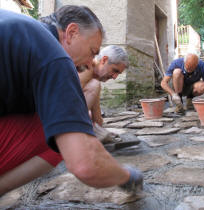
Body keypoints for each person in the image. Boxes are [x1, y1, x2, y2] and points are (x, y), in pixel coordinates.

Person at [0, 6, 142, 196]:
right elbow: (85, 165)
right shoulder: (55, 56)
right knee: (62, 129)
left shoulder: (24, 31)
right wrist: (127, 176)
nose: (91, 60)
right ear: (71, 33)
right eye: (93, 52)